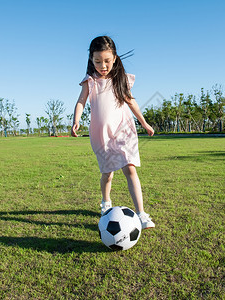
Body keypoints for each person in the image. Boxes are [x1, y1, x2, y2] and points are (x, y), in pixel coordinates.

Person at [71, 36, 155, 229]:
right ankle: (105, 201)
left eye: (107, 61)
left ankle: (141, 214)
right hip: (102, 135)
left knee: (130, 168)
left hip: (123, 130)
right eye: (98, 61)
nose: (103, 65)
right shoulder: (90, 81)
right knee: (107, 174)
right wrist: (76, 120)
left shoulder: (120, 79)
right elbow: (81, 101)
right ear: (91, 60)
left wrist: (144, 123)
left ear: (115, 58)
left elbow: (131, 102)